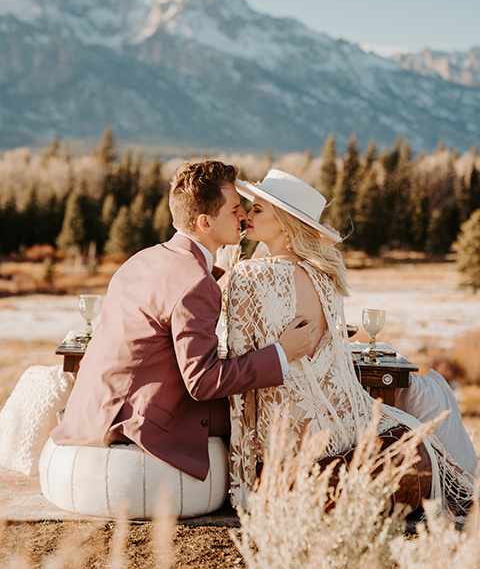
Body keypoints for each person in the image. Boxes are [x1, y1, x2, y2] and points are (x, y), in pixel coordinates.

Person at [226, 168, 478, 513]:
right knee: (414, 414)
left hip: (291, 434)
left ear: (285, 223)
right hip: (343, 423)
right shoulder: (322, 275)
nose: (247, 214)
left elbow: (236, 359)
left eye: (257, 209)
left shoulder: (250, 275)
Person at [51, 161, 318, 484]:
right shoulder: (195, 282)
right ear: (205, 222)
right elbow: (203, 382)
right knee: (269, 410)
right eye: (235, 209)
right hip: (137, 423)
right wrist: (281, 353)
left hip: (95, 413)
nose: (244, 216)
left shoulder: (143, 259)